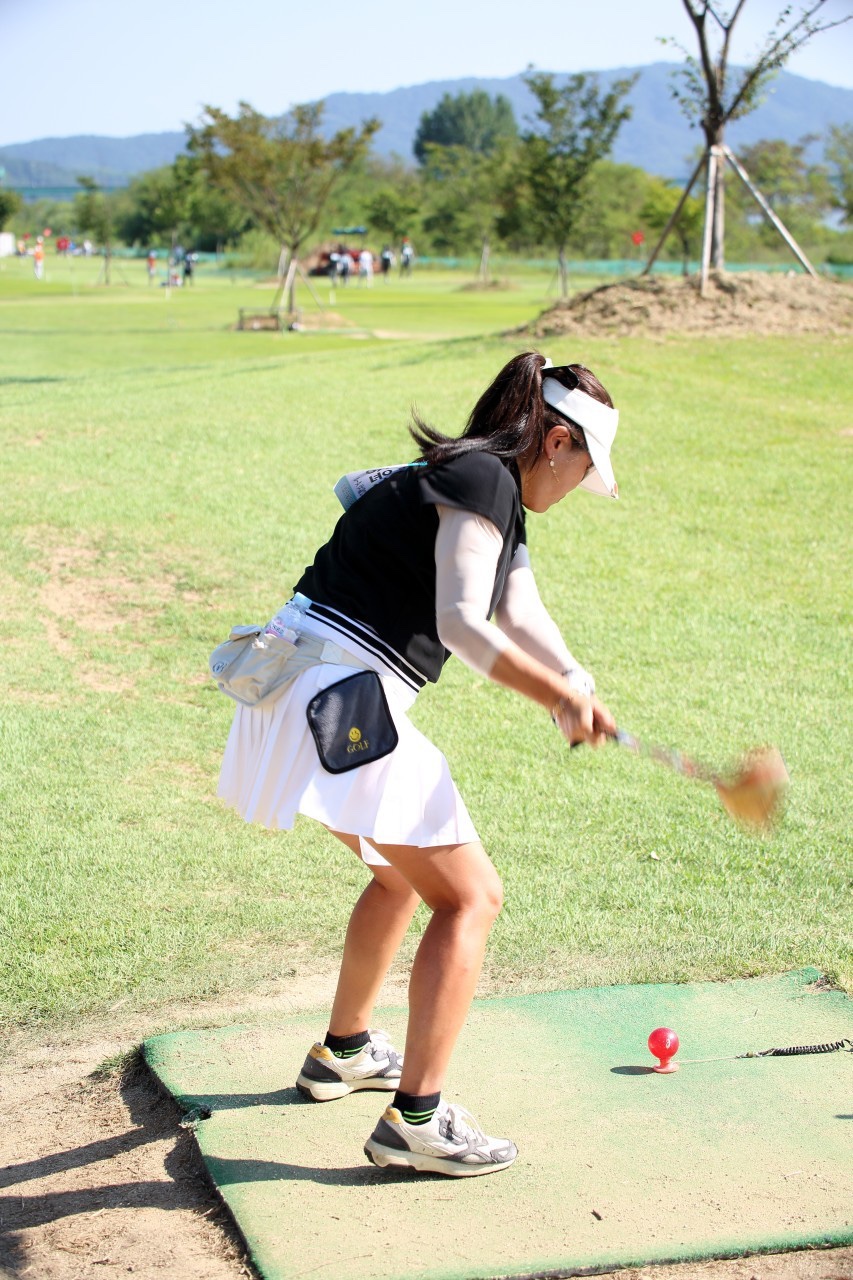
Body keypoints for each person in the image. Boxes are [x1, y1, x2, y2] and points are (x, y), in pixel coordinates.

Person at [217, 351, 619, 1178]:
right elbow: (464, 624)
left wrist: (574, 682)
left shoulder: (475, 480)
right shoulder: (482, 478)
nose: (583, 483)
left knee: (400, 876)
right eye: (586, 465)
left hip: (299, 684)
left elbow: (517, 606)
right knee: (470, 897)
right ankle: (417, 1121)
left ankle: (344, 1050)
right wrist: (552, 697)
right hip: (338, 693)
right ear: (555, 442)